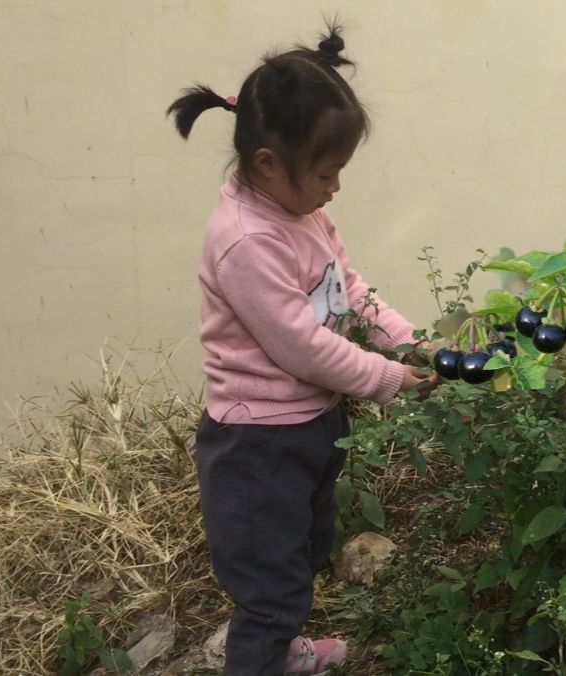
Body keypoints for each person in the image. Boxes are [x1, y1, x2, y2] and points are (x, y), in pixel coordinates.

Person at [167, 24, 435, 675]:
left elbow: (351, 295)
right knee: (270, 588)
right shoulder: (245, 242)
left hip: (309, 424)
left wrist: (411, 343)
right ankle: (260, 659)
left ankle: (281, 652)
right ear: (266, 163)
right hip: (258, 447)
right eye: (325, 173)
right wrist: (388, 377)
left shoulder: (303, 212)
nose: (334, 187)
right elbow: (302, 347)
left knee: (304, 547)